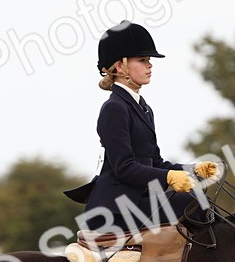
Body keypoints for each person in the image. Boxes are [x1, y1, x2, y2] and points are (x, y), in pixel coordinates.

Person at [64, 21, 219, 232]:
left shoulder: (144, 108)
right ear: (120, 67)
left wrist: (191, 170)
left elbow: (154, 161)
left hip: (137, 202)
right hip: (114, 211)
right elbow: (123, 167)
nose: (150, 65)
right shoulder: (114, 108)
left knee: (200, 199)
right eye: (143, 60)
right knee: (192, 202)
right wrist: (169, 177)